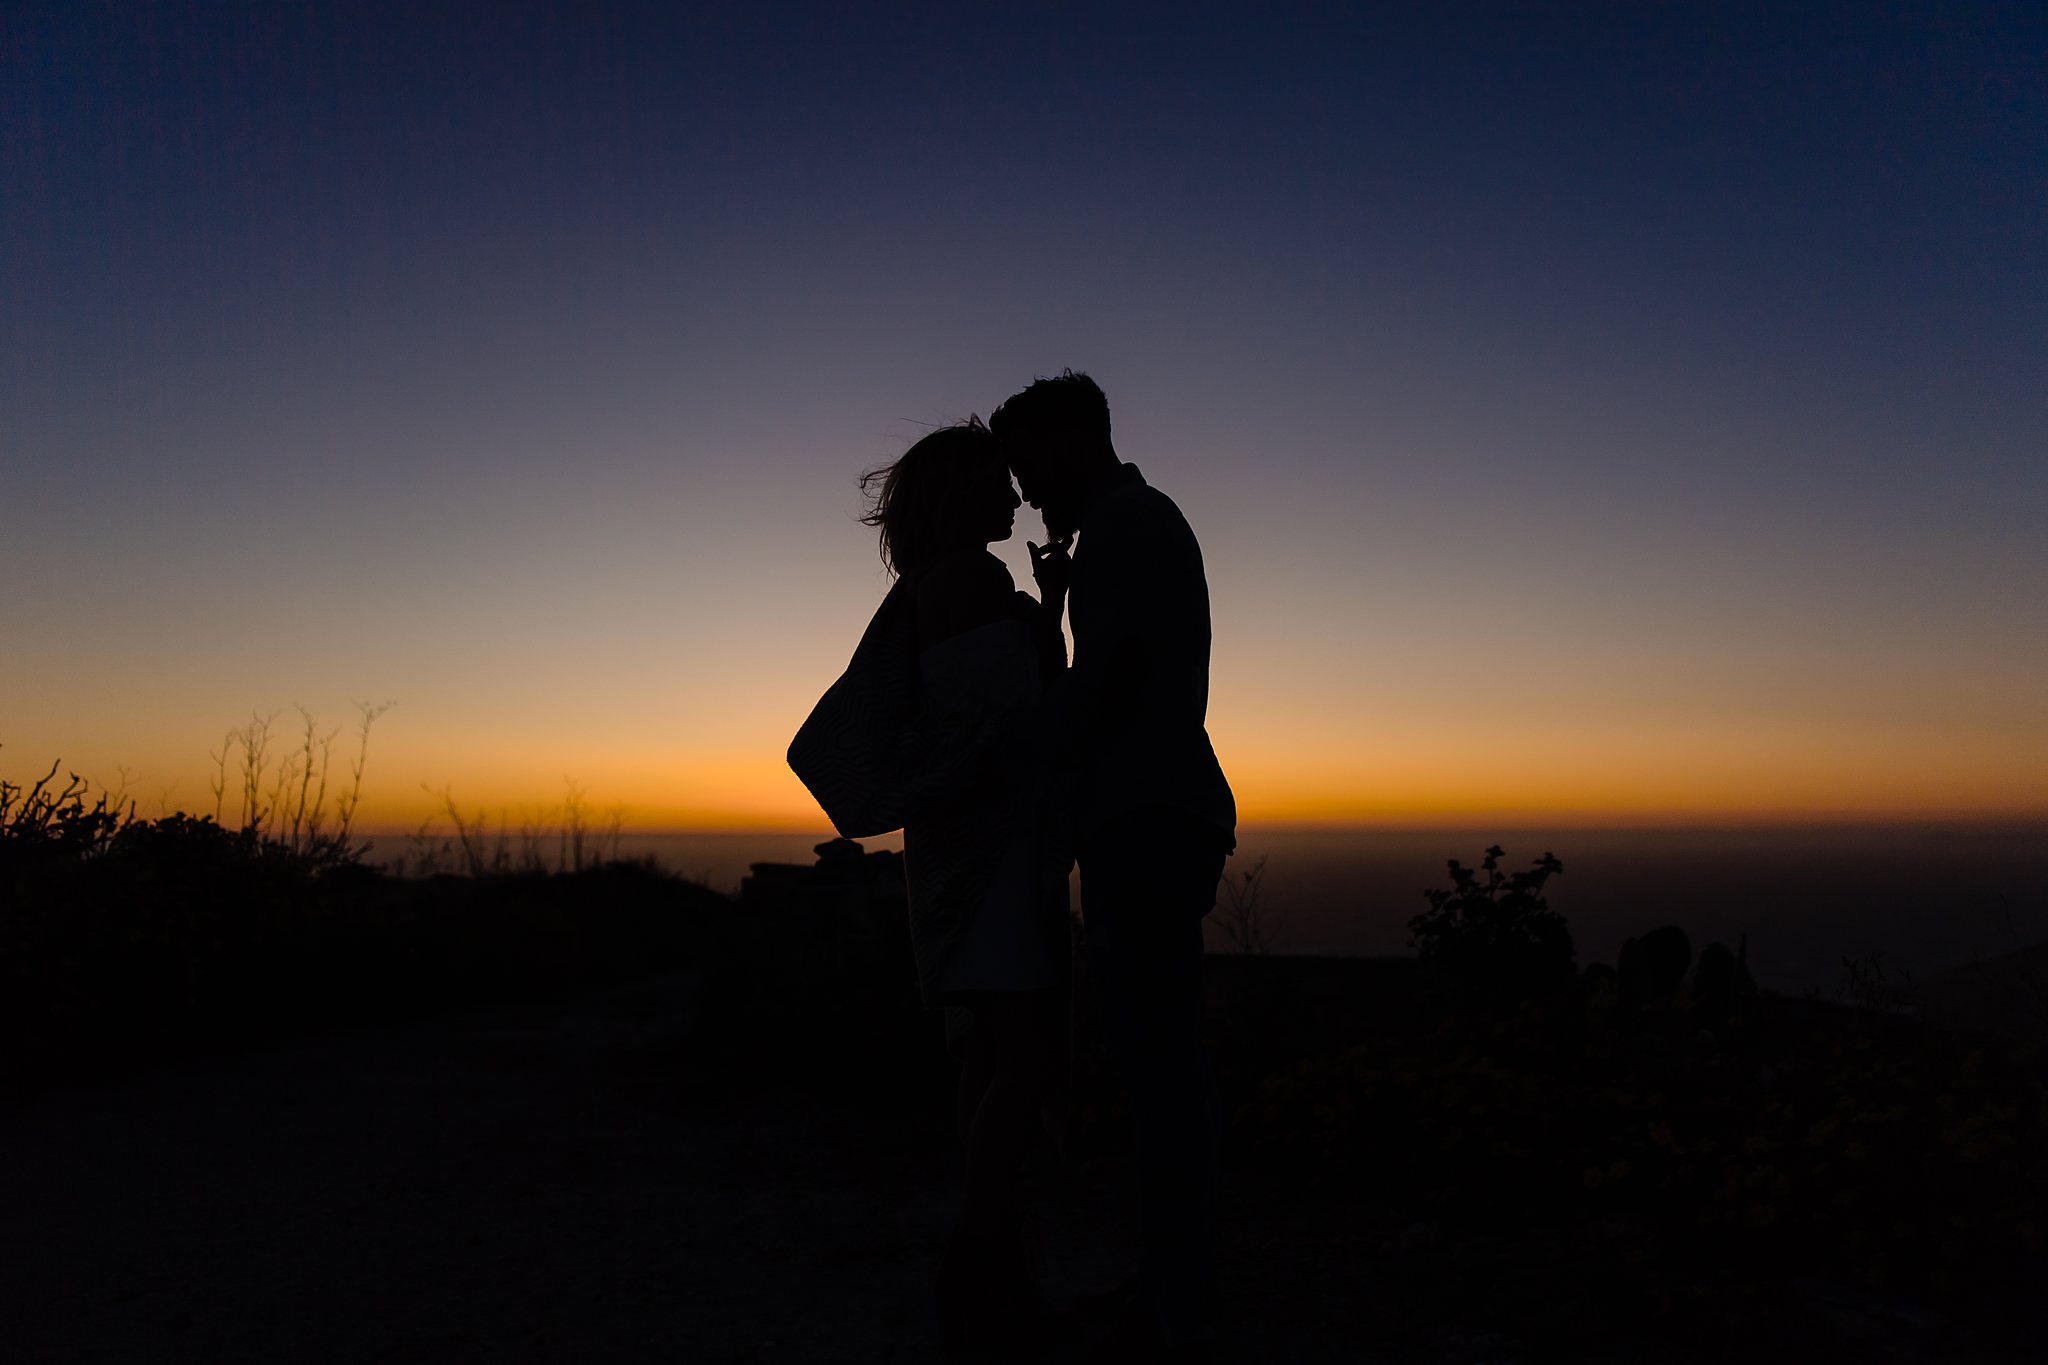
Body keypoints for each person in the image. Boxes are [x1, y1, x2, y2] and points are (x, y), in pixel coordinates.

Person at [990, 372, 1236, 1359]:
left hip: (1145, 821)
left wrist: (1023, 703)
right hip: (1156, 816)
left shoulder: (1125, 532)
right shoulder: (1130, 527)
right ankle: (1173, 1286)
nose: (1020, 490)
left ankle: (1173, 1304)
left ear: (1074, 444)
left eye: (1029, 464)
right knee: (1157, 1061)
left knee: (1157, 1067)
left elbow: (1103, 695)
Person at [851, 419, 1071, 1352]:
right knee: (1029, 1051)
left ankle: (993, 1257)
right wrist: (1048, 610)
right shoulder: (980, 585)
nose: (1016, 497)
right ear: (961, 491)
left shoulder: (916, 593)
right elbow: (1026, 713)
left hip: (949, 849)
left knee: (984, 1047)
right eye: (998, 482)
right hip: (998, 855)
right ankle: (980, 1250)